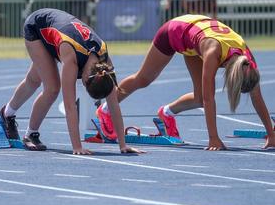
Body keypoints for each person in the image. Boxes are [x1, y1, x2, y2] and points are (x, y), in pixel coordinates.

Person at [96, 14, 275, 151]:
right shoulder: (213, 53)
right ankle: (105, 110)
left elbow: (257, 96)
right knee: (144, 78)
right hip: (175, 31)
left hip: (196, 37)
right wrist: (213, 137)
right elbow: (208, 100)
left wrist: (271, 133)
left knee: (197, 98)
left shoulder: (247, 62)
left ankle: (166, 113)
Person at [0, 8, 144, 155]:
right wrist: (77, 147)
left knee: (33, 79)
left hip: (56, 34)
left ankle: (7, 112)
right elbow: (70, 106)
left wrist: (123, 145)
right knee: (52, 88)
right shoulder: (71, 57)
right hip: (37, 27)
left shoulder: (105, 64)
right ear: (85, 79)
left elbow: (113, 104)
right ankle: (30, 134)